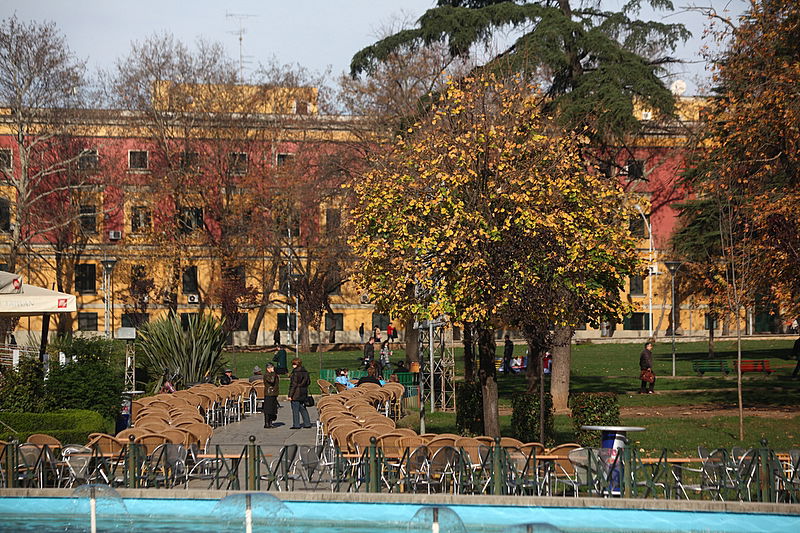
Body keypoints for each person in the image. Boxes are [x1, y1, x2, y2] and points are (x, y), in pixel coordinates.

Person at [287, 357, 312, 429]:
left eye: (294, 364)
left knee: (295, 409)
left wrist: (290, 395)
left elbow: (293, 385)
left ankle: (296, 424)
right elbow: (308, 382)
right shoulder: (305, 372)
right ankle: (307, 423)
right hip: (303, 392)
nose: (293, 365)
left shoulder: (295, 373)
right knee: (303, 408)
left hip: (296, 393)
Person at [262, 363, 280, 428]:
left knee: (272, 408)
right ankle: (267, 423)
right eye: (271, 368)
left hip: (274, 393)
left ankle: (270, 422)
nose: (273, 369)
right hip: (269, 393)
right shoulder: (267, 375)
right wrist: (273, 373)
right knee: (268, 409)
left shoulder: (274, 374)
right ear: (268, 368)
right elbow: (271, 381)